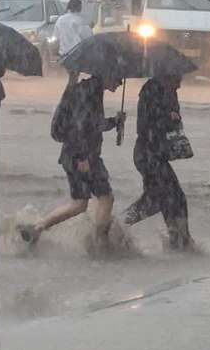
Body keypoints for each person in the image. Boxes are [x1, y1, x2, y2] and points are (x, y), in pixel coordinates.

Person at [19, 73, 126, 256]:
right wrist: (82, 157)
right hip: (83, 156)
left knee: (78, 204)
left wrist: (114, 122)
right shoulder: (90, 93)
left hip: (73, 155)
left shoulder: (89, 90)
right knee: (106, 198)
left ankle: (37, 228)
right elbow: (79, 126)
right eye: (117, 77)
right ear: (106, 74)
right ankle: (100, 245)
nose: (120, 82)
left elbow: (92, 125)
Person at [123, 74, 194, 251]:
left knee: (175, 198)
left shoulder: (171, 93)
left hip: (159, 155)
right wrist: (167, 119)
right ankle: (117, 225)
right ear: (166, 76)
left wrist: (176, 119)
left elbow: (176, 123)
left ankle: (180, 240)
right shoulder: (150, 91)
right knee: (159, 198)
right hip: (147, 154)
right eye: (177, 80)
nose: (179, 85)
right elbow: (145, 126)